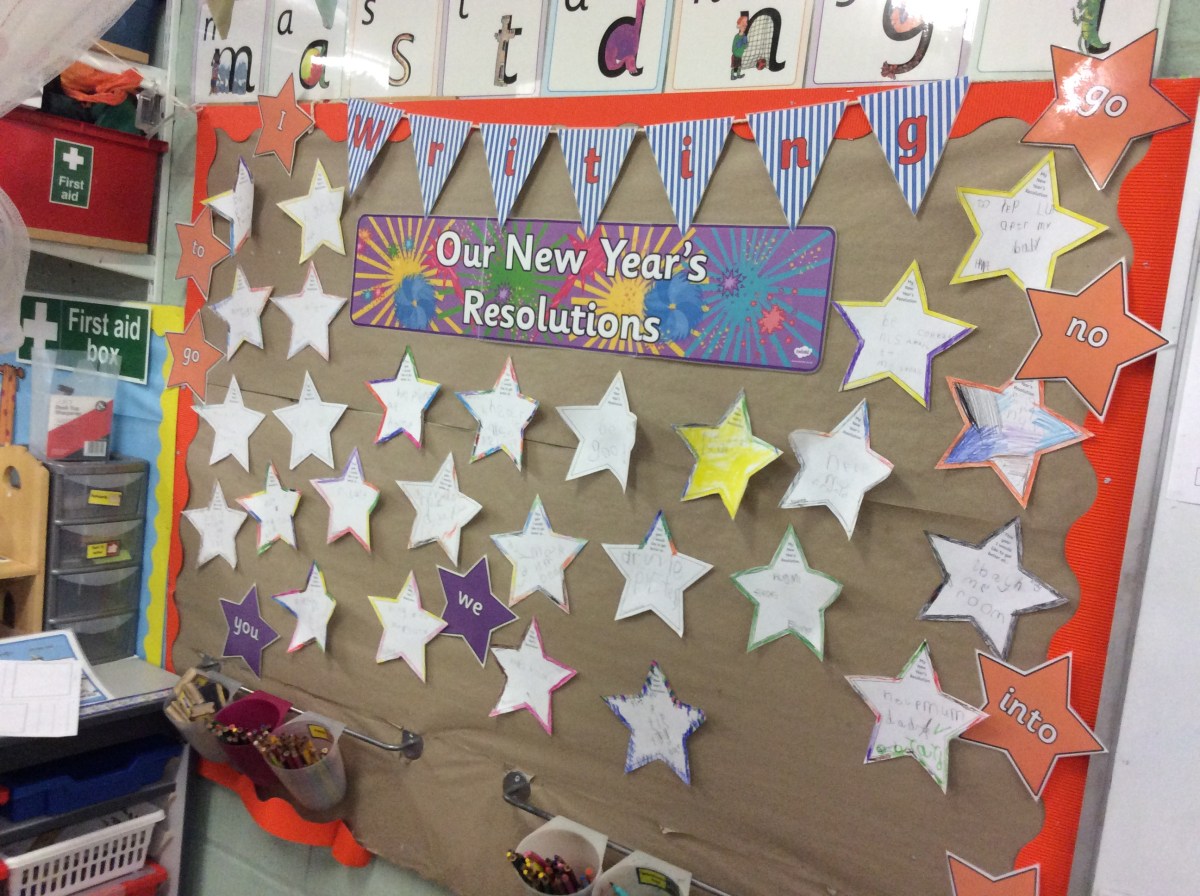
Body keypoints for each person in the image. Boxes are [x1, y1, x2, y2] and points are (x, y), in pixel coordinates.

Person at [731, 13, 749, 80]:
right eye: (743, 24)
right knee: (734, 67)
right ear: (739, 26)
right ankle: (732, 76)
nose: (745, 26)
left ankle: (738, 75)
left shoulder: (744, 36)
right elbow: (733, 47)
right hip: (735, 55)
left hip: (740, 55)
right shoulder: (737, 37)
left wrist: (745, 43)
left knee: (739, 66)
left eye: (745, 25)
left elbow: (745, 47)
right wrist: (739, 44)